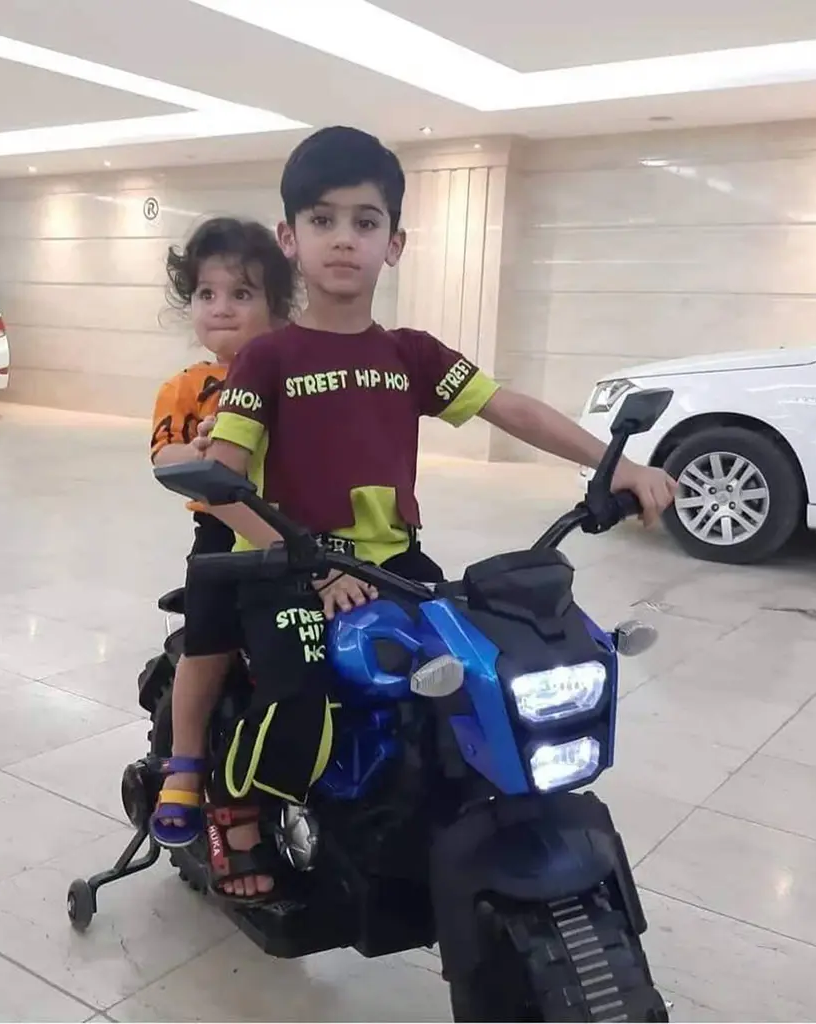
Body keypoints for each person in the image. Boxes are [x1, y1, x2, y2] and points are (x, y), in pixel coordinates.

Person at [197, 126, 678, 902]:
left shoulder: (411, 354)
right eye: (322, 220)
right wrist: (311, 565)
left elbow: (512, 408)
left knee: (473, 671)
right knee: (297, 696)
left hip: (396, 565)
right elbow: (222, 482)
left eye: (365, 221)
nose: (344, 238)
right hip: (291, 567)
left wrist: (613, 465)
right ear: (290, 239)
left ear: (394, 244)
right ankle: (236, 813)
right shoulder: (268, 358)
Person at [147, 216, 294, 886]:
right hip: (222, 534)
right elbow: (164, 455)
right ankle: (185, 766)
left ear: (278, 305)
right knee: (208, 639)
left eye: (242, 293)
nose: (222, 308)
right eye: (207, 294)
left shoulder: (294, 372)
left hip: (298, 529)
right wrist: (201, 450)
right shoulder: (186, 387)